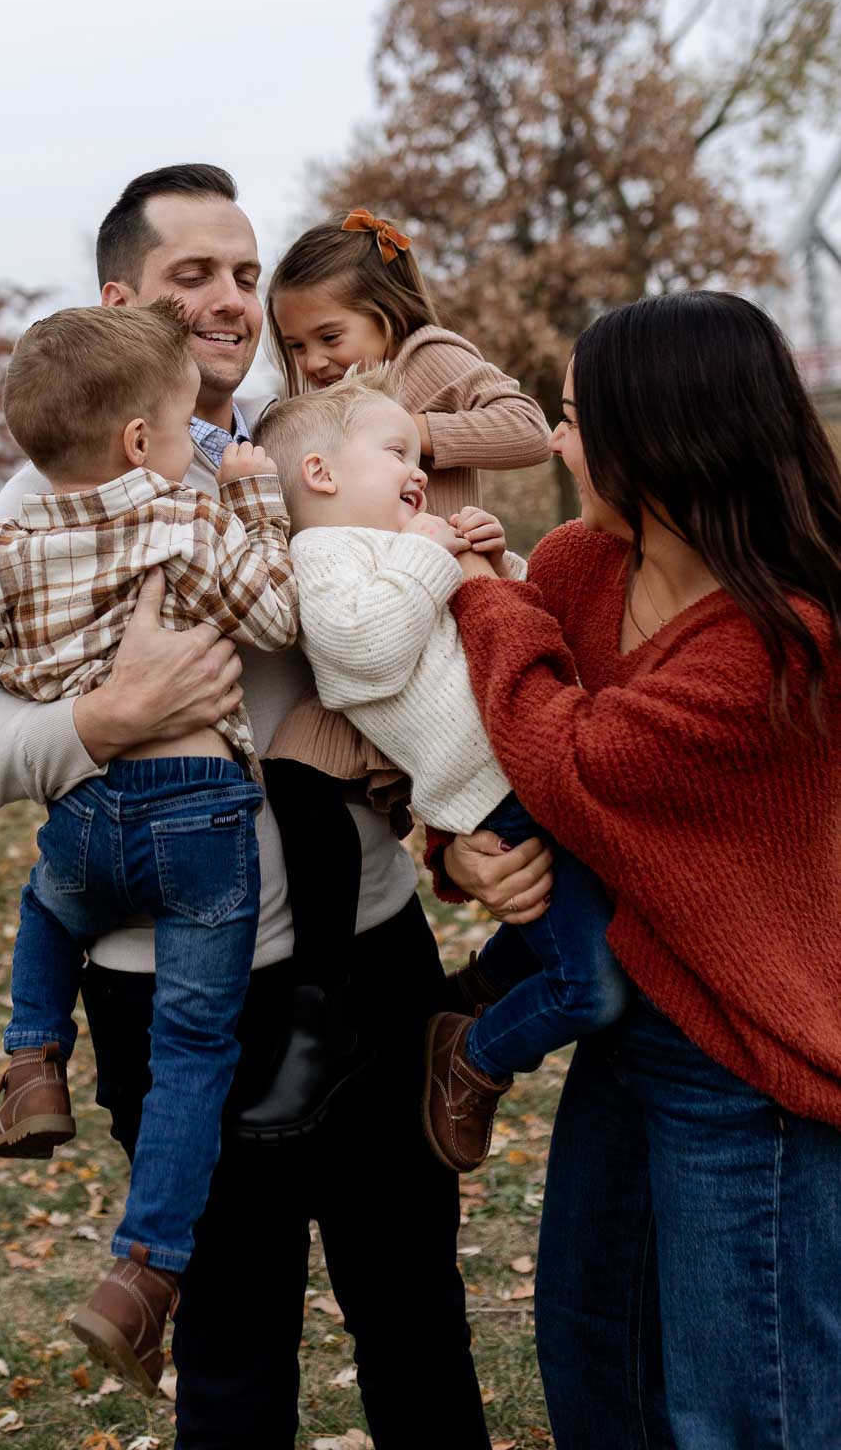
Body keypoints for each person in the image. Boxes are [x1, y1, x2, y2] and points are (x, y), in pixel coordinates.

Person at [0, 165, 492, 1448]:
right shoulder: (47, 498)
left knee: (415, 1317)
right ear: (120, 302)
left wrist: (455, 833)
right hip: (176, 991)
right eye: (193, 276)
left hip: (368, 956)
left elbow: (404, 656)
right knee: (230, 1349)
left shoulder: (309, 446)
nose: (230, 300)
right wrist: (98, 721)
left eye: (243, 273)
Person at [424, 291, 841, 1448]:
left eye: (571, 420)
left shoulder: (781, 641)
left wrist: (481, 597)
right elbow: (492, 744)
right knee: (592, 1361)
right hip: (622, 1023)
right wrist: (459, 851)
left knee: (743, 1413)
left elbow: (576, 759)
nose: (557, 445)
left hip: (744, 1062)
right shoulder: (579, 564)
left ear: (658, 439)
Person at [0, 299, 300, 1394]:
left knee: (47, 903)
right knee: (194, 1051)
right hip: (199, 819)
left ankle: (33, 1060)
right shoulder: (184, 518)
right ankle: (144, 1272)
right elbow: (277, 616)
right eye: (181, 424)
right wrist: (253, 500)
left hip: (85, 813)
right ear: (139, 440)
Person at [252, 373, 628, 1167]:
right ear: (321, 474)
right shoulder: (320, 557)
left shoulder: (401, 547)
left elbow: (504, 631)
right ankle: (473, 1056)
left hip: (539, 767)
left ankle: (469, 995)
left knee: (604, 930)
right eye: (395, 452)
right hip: (493, 798)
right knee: (589, 989)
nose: (416, 468)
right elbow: (363, 658)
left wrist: (495, 561)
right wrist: (429, 556)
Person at [234, 208, 553, 1136]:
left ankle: (487, 992)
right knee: (295, 771)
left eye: (330, 337)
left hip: (442, 628)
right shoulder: (324, 414)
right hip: (371, 631)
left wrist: (409, 430)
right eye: (297, 347)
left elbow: (526, 427)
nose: (316, 362)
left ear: (386, 311)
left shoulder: (428, 359)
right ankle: (319, 1009)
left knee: (504, 813)